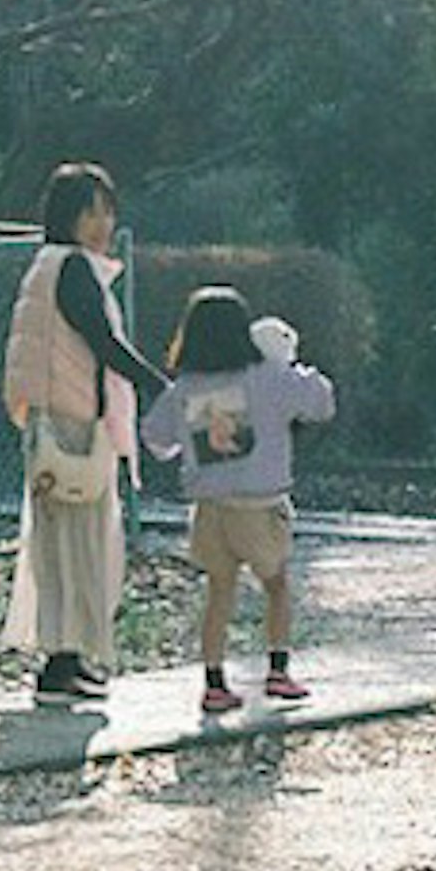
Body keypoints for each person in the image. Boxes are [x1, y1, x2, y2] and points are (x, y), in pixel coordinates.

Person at [1, 162, 168, 707]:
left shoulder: (49, 265)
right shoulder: (72, 268)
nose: (102, 222)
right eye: (92, 211)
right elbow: (103, 343)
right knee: (77, 544)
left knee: (66, 544)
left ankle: (68, 658)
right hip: (70, 425)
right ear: (67, 215)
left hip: (60, 419)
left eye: (107, 211)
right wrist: (159, 386)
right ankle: (60, 662)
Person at [140, 287, 336, 717]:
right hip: (260, 508)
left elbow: (154, 437)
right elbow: (322, 401)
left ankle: (213, 684)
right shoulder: (269, 378)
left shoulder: (185, 388)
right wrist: (287, 365)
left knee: (219, 592)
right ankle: (278, 671)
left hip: (209, 510)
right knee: (277, 585)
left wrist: (186, 445)